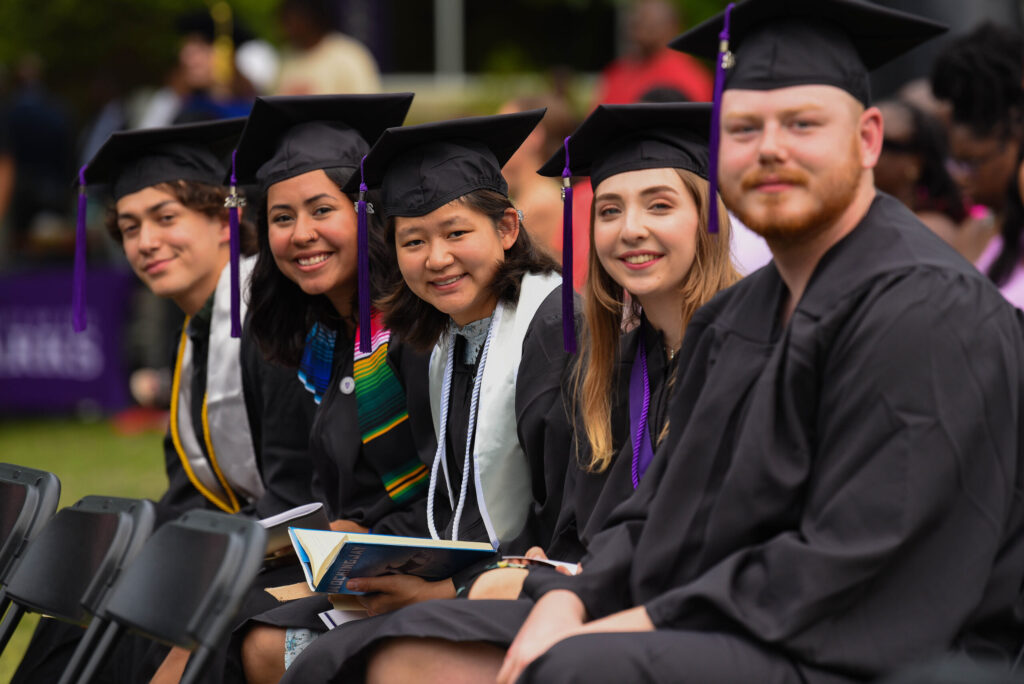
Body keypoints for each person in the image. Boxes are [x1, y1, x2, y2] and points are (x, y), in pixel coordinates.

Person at [287, 1, 1024, 682]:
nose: (769, 149)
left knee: (563, 669)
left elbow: (864, 557)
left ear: (867, 140)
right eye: (743, 129)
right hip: (755, 623)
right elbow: (669, 510)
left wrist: (641, 615)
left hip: (891, 653)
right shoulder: (741, 319)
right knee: (370, 651)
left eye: (802, 124)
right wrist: (574, 599)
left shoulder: (925, 308)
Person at [12, 120, 318, 684]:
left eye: (165, 218)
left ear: (225, 220)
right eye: (129, 228)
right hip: (244, 540)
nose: (145, 242)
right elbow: (187, 491)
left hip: (296, 550)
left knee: (146, 613)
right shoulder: (197, 333)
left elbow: (300, 487)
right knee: (91, 585)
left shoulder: (274, 321)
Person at [461, 102, 740, 604]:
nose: (630, 228)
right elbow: (584, 528)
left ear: (706, 218)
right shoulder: (610, 368)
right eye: (610, 210)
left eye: (659, 205)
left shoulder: (752, 354)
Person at [205, 93, 431, 684]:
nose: (301, 234)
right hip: (348, 562)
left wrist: (355, 541)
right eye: (282, 218)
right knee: (201, 606)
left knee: (247, 636)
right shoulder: (330, 340)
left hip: (410, 576)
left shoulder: (414, 332)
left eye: (321, 210)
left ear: (367, 210)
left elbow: (450, 494)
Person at [931, 22, 1024, 307]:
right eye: (955, 162)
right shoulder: (972, 233)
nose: (960, 178)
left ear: (1016, 138)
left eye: (972, 163)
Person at [874, 98, 987, 259]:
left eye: (880, 142)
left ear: (915, 162)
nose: (864, 147)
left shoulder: (930, 229)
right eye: (860, 134)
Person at [593, 0, 712, 107]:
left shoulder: (689, 75)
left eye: (648, 22)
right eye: (636, 19)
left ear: (674, 26)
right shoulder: (617, 71)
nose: (638, 19)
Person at [274, 0, 381, 96]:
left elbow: (366, 106)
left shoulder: (349, 56)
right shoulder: (285, 58)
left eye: (292, 21)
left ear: (310, 18)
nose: (287, 29)